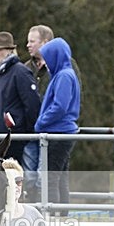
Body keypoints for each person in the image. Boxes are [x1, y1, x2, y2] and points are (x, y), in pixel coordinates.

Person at [0, 31, 41, 197]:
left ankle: (19, 214)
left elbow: (33, 105)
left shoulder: (20, 72)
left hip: (10, 140)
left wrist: (23, 132)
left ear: (10, 50)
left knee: (13, 182)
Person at [35, 38, 81, 206]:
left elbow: (60, 106)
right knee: (60, 177)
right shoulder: (63, 75)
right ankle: (61, 216)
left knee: (51, 178)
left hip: (59, 132)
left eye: (47, 58)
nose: (45, 63)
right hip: (61, 131)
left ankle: (51, 217)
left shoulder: (64, 77)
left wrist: (41, 122)